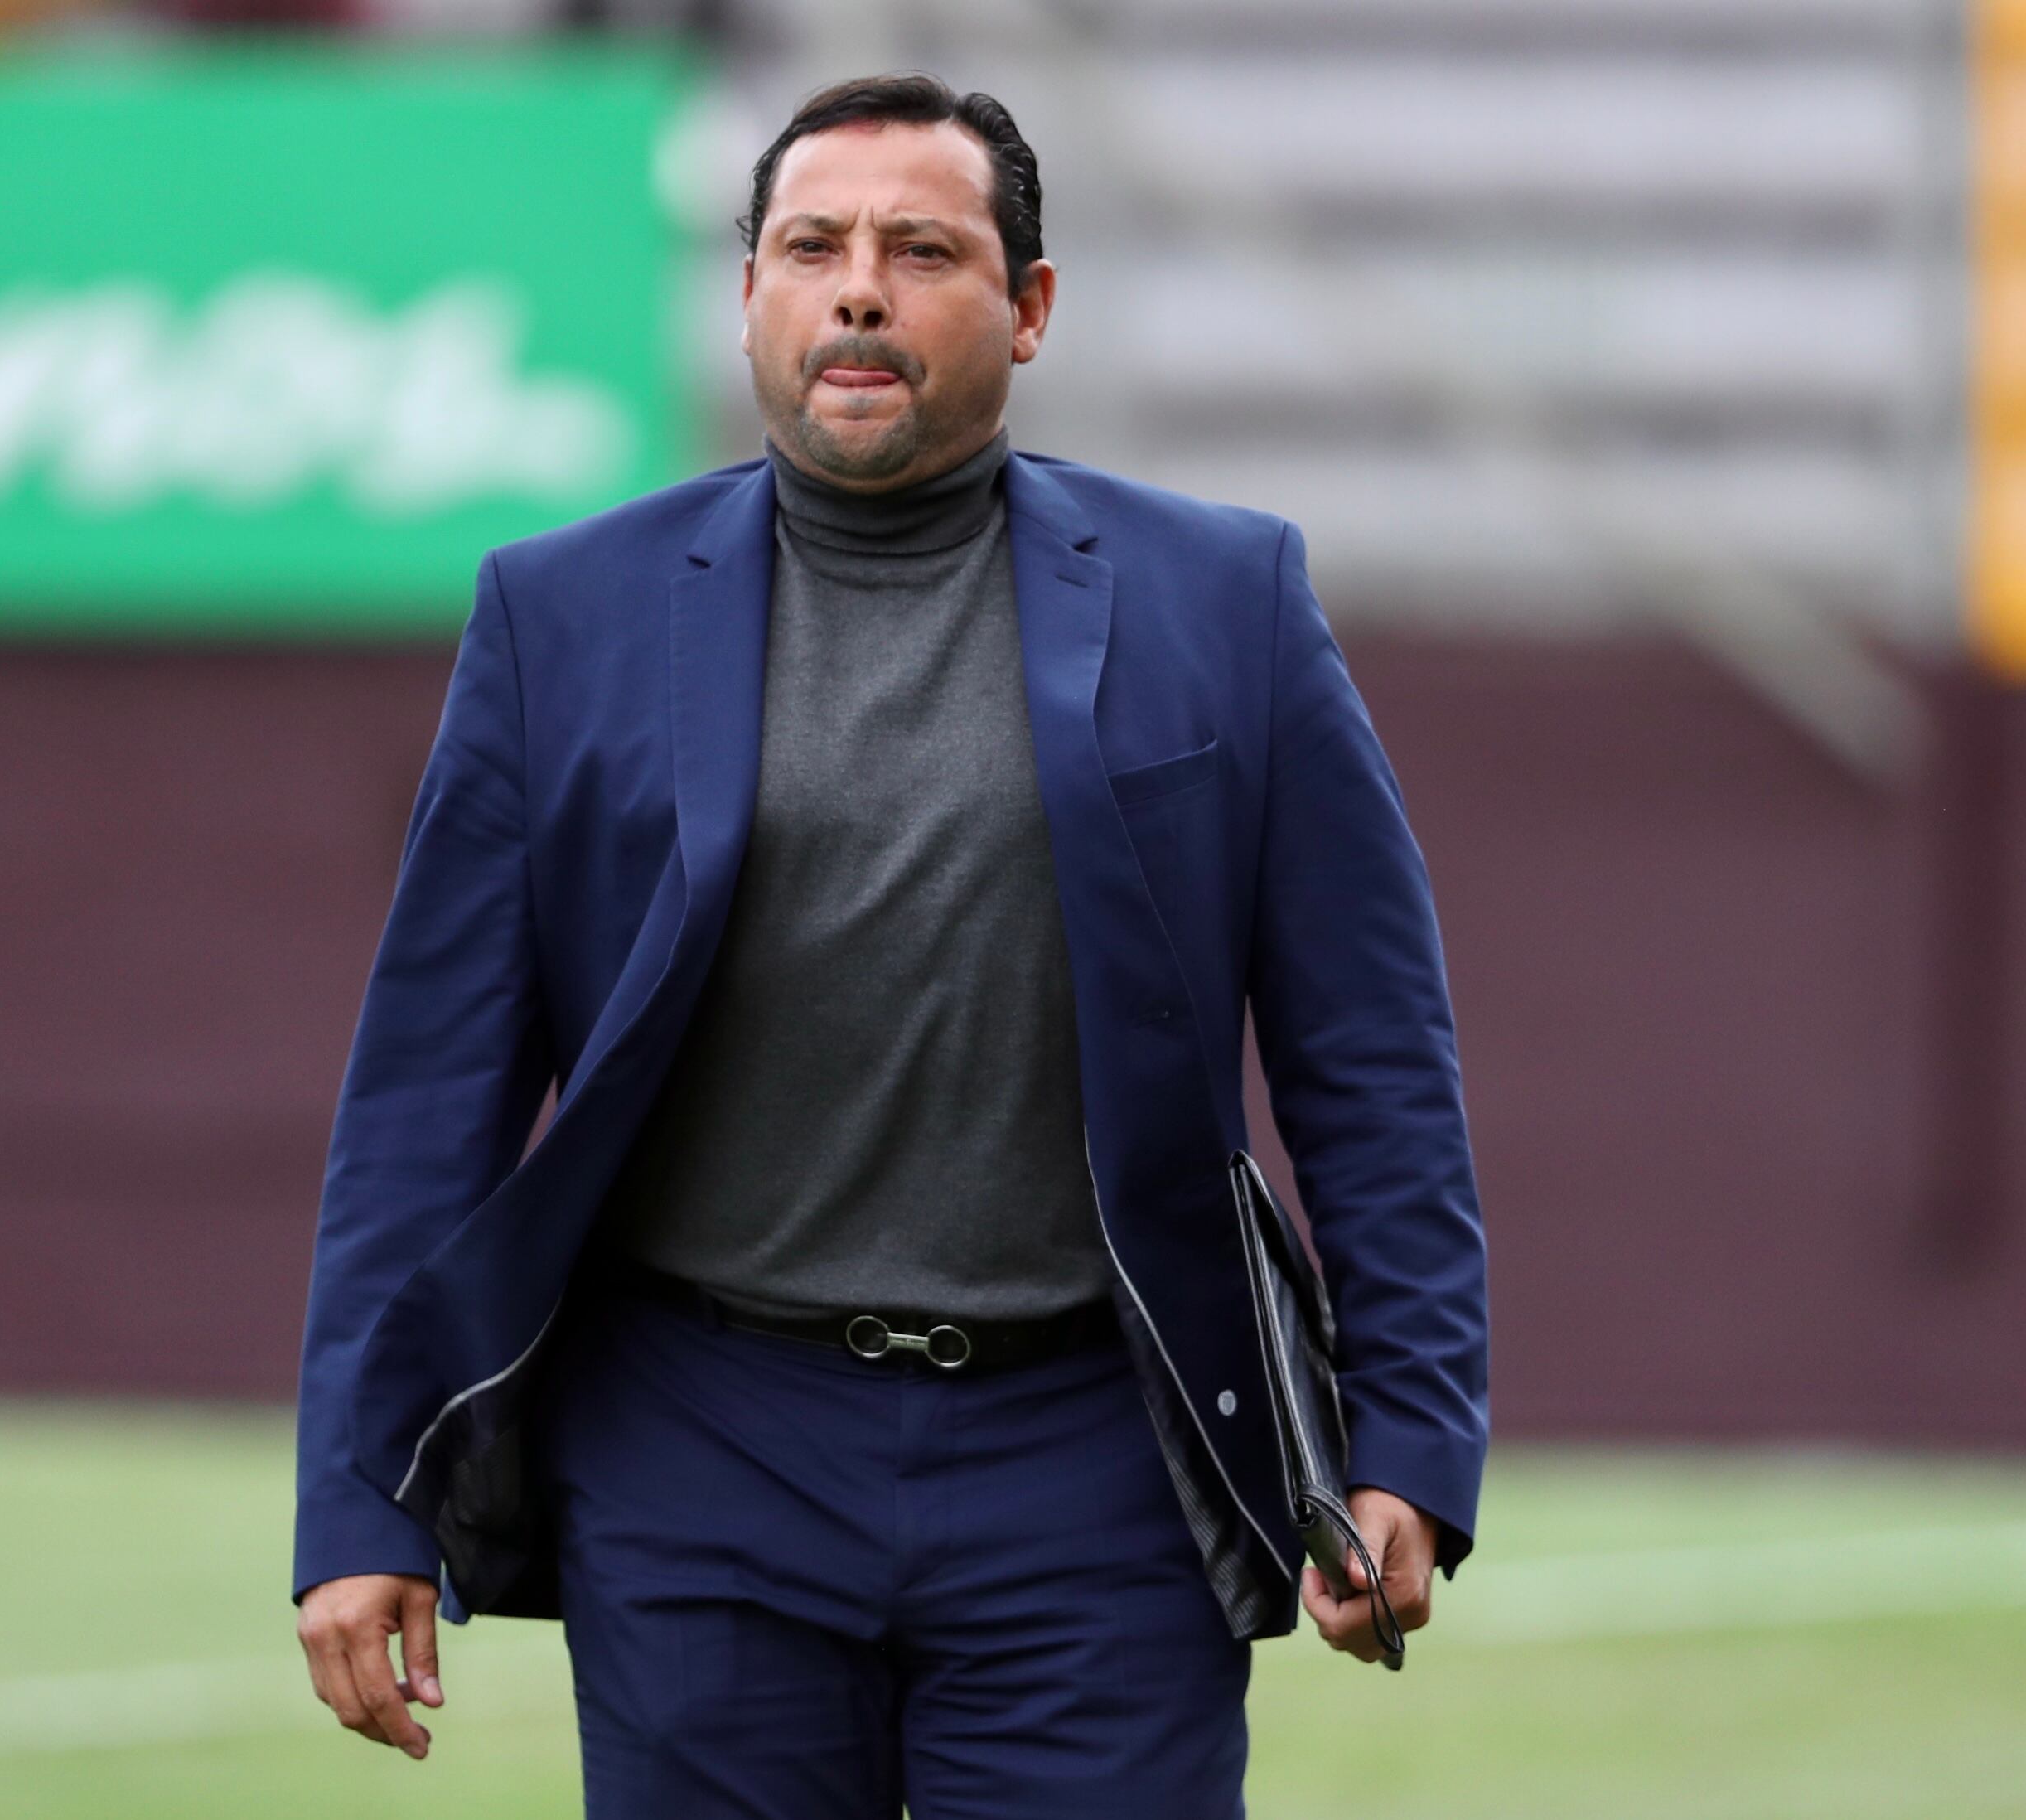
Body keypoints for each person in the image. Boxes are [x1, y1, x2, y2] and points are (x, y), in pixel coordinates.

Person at [291, 72, 1488, 1818]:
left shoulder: (1227, 602)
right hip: (697, 1457)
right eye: (812, 247)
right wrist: (358, 1500)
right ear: (748, 296)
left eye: (921, 251)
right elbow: (426, 1104)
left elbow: (1373, 1066)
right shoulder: (560, 618)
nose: (858, 289)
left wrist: (1412, 1444)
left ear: (1029, 306)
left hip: (1097, 1463)